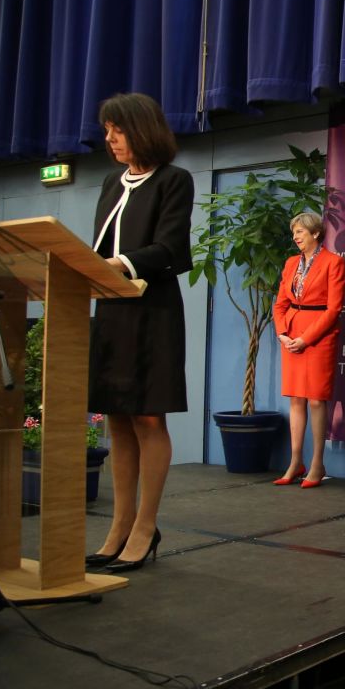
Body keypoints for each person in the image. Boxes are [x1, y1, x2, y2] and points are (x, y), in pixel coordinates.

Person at [85, 93, 193, 572]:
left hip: (153, 312)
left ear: (143, 129)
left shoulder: (175, 180)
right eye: (107, 130)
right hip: (111, 310)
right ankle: (118, 526)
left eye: (118, 130)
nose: (109, 138)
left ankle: (146, 526)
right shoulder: (111, 182)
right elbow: (97, 246)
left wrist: (120, 264)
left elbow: (171, 247)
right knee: (118, 419)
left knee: (148, 418)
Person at [271, 212, 345, 489]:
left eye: (300, 231)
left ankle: (317, 463)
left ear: (315, 233)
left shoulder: (333, 262)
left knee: (316, 399)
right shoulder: (291, 263)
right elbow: (280, 303)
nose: (295, 237)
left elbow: (334, 309)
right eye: (294, 232)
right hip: (291, 333)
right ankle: (295, 461)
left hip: (319, 335)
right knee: (296, 399)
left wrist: (305, 338)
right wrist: (282, 333)